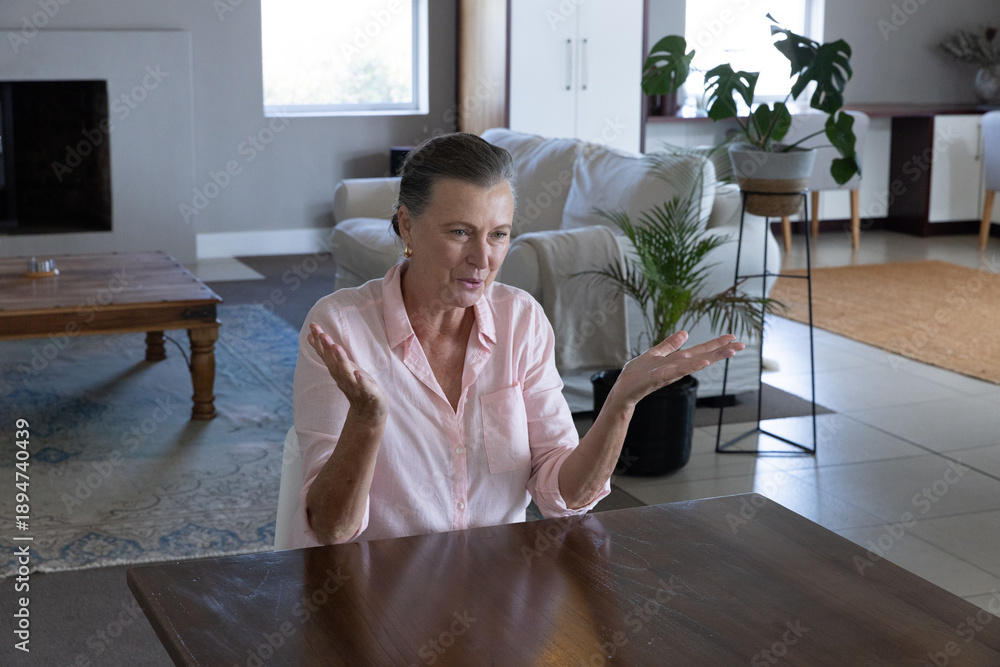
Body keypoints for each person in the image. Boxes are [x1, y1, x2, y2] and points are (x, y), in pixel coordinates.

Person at [290, 132, 744, 547]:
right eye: (460, 232)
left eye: (499, 235)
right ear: (407, 226)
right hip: (377, 591)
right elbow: (333, 529)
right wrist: (368, 420)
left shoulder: (521, 319)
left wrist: (620, 403)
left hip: (495, 589)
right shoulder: (340, 328)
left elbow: (564, 496)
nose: (482, 259)